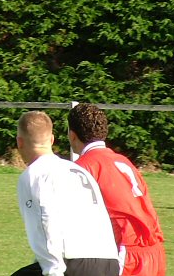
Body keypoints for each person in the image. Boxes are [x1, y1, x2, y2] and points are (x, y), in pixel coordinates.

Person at [12, 111, 119, 276]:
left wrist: (52, 271)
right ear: (52, 140)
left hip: (75, 262)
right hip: (109, 262)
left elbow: (43, 221)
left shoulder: (34, 174)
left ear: (19, 142)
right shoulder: (77, 170)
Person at [68, 103, 166, 276]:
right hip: (155, 250)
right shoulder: (123, 161)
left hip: (127, 253)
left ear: (72, 135)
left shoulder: (83, 167)